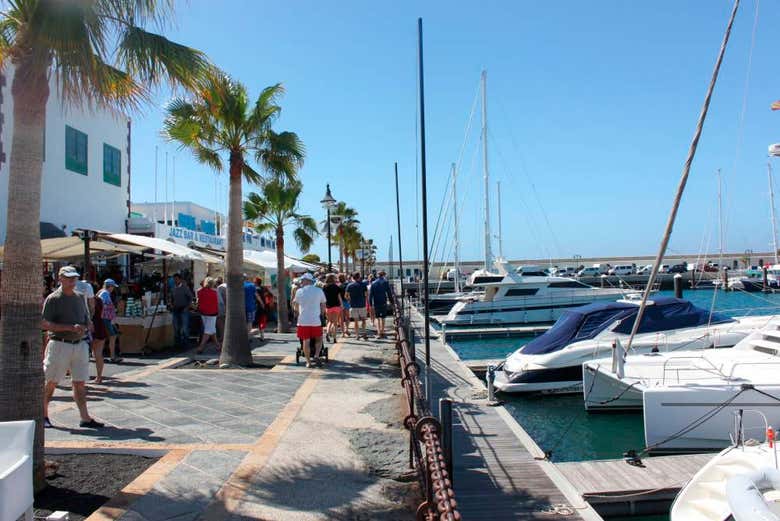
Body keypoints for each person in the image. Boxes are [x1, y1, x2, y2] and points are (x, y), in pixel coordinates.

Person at [42, 266, 104, 429]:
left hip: (80, 344)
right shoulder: (53, 299)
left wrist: (88, 325)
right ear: (60, 278)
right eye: (68, 278)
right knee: (51, 381)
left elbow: (86, 318)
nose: (72, 281)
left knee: (79, 382)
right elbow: (44, 323)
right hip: (60, 344)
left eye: (74, 278)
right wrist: (69, 327)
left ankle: (85, 417)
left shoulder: (79, 297)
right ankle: (43, 415)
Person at [293, 273, 326, 368]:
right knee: (319, 339)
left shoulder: (299, 291)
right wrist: (321, 314)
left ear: (307, 281)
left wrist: (297, 313)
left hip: (303, 320)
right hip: (315, 320)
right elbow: (323, 304)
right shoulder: (319, 291)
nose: (301, 282)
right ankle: (316, 355)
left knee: (305, 341)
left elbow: (295, 306)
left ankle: (308, 362)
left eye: (303, 280)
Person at [96, 279, 122, 362]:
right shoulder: (105, 293)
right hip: (105, 318)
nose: (113, 288)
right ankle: (112, 356)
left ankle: (105, 355)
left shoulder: (103, 292)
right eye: (113, 286)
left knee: (109, 336)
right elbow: (101, 304)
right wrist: (111, 309)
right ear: (109, 286)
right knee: (111, 336)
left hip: (106, 318)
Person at [196, 277, 221, 353]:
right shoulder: (215, 292)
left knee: (211, 329)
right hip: (212, 313)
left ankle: (218, 346)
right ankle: (201, 347)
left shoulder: (199, 291)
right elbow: (218, 303)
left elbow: (198, 300)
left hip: (203, 312)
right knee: (208, 330)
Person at [170, 273, 194, 348]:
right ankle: (177, 343)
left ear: (180, 279)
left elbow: (190, 297)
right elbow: (171, 298)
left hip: (184, 309)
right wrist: (171, 303)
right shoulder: (173, 288)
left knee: (184, 327)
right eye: (174, 279)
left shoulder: (185, 288)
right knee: (176, 327)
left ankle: (185, 343)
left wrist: (188, 306)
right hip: (175, 309)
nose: (175, 280)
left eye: (177, 279)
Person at [91, 283, 107, 383]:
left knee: (87, 354)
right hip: (100, 326)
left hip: (92, 327)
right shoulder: (99, 300)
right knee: (98, 354)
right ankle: (99, 377)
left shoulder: (87, 300)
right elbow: (102, 313)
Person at [345, 272, 369, 340]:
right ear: (359, 277)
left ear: (353, 277)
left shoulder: (349, 285)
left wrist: (349, 300)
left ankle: (357, 335)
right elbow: (366, 294)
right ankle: (364, 333)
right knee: (363, 320)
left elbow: (346, 296)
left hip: (353, 305)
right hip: (362, 304)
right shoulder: (363, 285)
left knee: (356, 321)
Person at [369, 270, 392, 339]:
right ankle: (382, 331)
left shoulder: (373, 283)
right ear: (383, 275)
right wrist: (392, 301)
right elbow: (389, 293)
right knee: (383, 317)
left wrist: (370, 303)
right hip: (383, 301)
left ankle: (379, 332)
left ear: (377, 275)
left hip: (376, 302)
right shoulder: (385, 282)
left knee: (377, 317)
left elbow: (371, 295)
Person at [322, 273, 343, 342]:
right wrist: (341, 304)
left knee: (329, 322)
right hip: (336, 306)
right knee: (335, 323)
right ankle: (334, 338)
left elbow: (323, 297)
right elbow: (339, 297)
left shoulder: (324, 287)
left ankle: (327, 333)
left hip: (328, 306)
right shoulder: (336, 287)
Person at [216, 277, 227, 342]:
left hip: (222, 308)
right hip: (227, 308)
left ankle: (222, 337)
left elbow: (222, 300)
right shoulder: (225, 286)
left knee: (220, 323)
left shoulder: (220, 288)